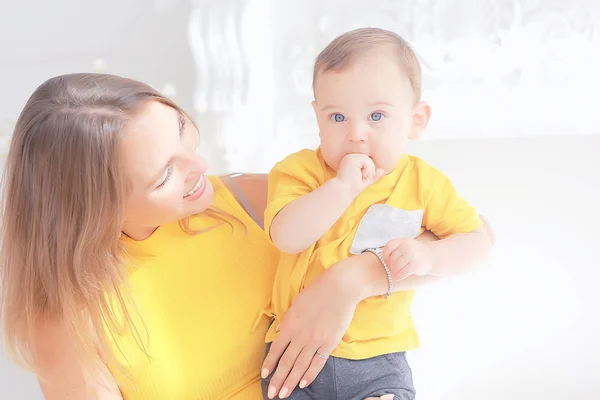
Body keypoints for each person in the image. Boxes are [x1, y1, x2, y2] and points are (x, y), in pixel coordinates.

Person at [0, 73, 493, 400]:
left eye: (181, 129)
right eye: (163, 175)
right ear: (94, 209)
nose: (201, 167)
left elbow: (474, 236)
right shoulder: (66, 319)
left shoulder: (248, 201)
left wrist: (354, 279)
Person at [260, 28, 492, 400]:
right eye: (337, 117)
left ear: (415, 120)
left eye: (377, 115)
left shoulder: (423, 183)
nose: (356, 134)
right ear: (317, 117)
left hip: (377, 358)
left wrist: (430, 255)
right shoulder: (298, 172)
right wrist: (341, 188)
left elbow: (478, 243)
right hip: (294, 349)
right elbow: (287, 236)